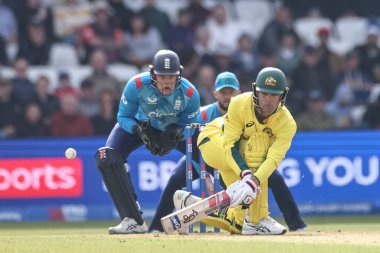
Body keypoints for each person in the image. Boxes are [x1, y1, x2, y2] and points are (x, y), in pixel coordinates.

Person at [151, 70, 306, 233]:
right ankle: (258, 219)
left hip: (241, 158)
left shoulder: (287, 123)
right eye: (264, 94)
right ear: (255, 91)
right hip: (213, 141)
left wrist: (253, 182)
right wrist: (246, 176)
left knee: (239, 224)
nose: (267, 100)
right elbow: (229, 146)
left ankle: (189, 204)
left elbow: (274, 159)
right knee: (258, 144)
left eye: (273, 95)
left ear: (283, 96)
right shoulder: (239, 103)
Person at [94, 50, 201, 234]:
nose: (167, 82)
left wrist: (176, 134)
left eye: (172, 77)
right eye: (162, 76)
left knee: (207, 158)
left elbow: (190, 125)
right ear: (152, 74)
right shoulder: (136, 85)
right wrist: (138, 130)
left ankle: (235, 213)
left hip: (173, 128)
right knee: (107, 157)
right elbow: (123, 116)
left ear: (179, 75)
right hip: (140, 125)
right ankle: (133, 220)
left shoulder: (190, 92)